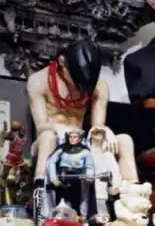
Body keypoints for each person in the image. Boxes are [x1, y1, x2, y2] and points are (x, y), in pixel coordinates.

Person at [27, 40, 138, 189]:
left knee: (125, 140)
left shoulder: (99, 86)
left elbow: (97, 126)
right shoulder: (38, 81)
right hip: (50, 138)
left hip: (81, 140)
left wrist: (105, 132)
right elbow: (41, 127)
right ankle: (40, 188)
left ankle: (132, 193)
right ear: (62, 62)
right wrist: (60, 131)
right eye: (76, 78)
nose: (79, 85)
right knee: (47, 137)